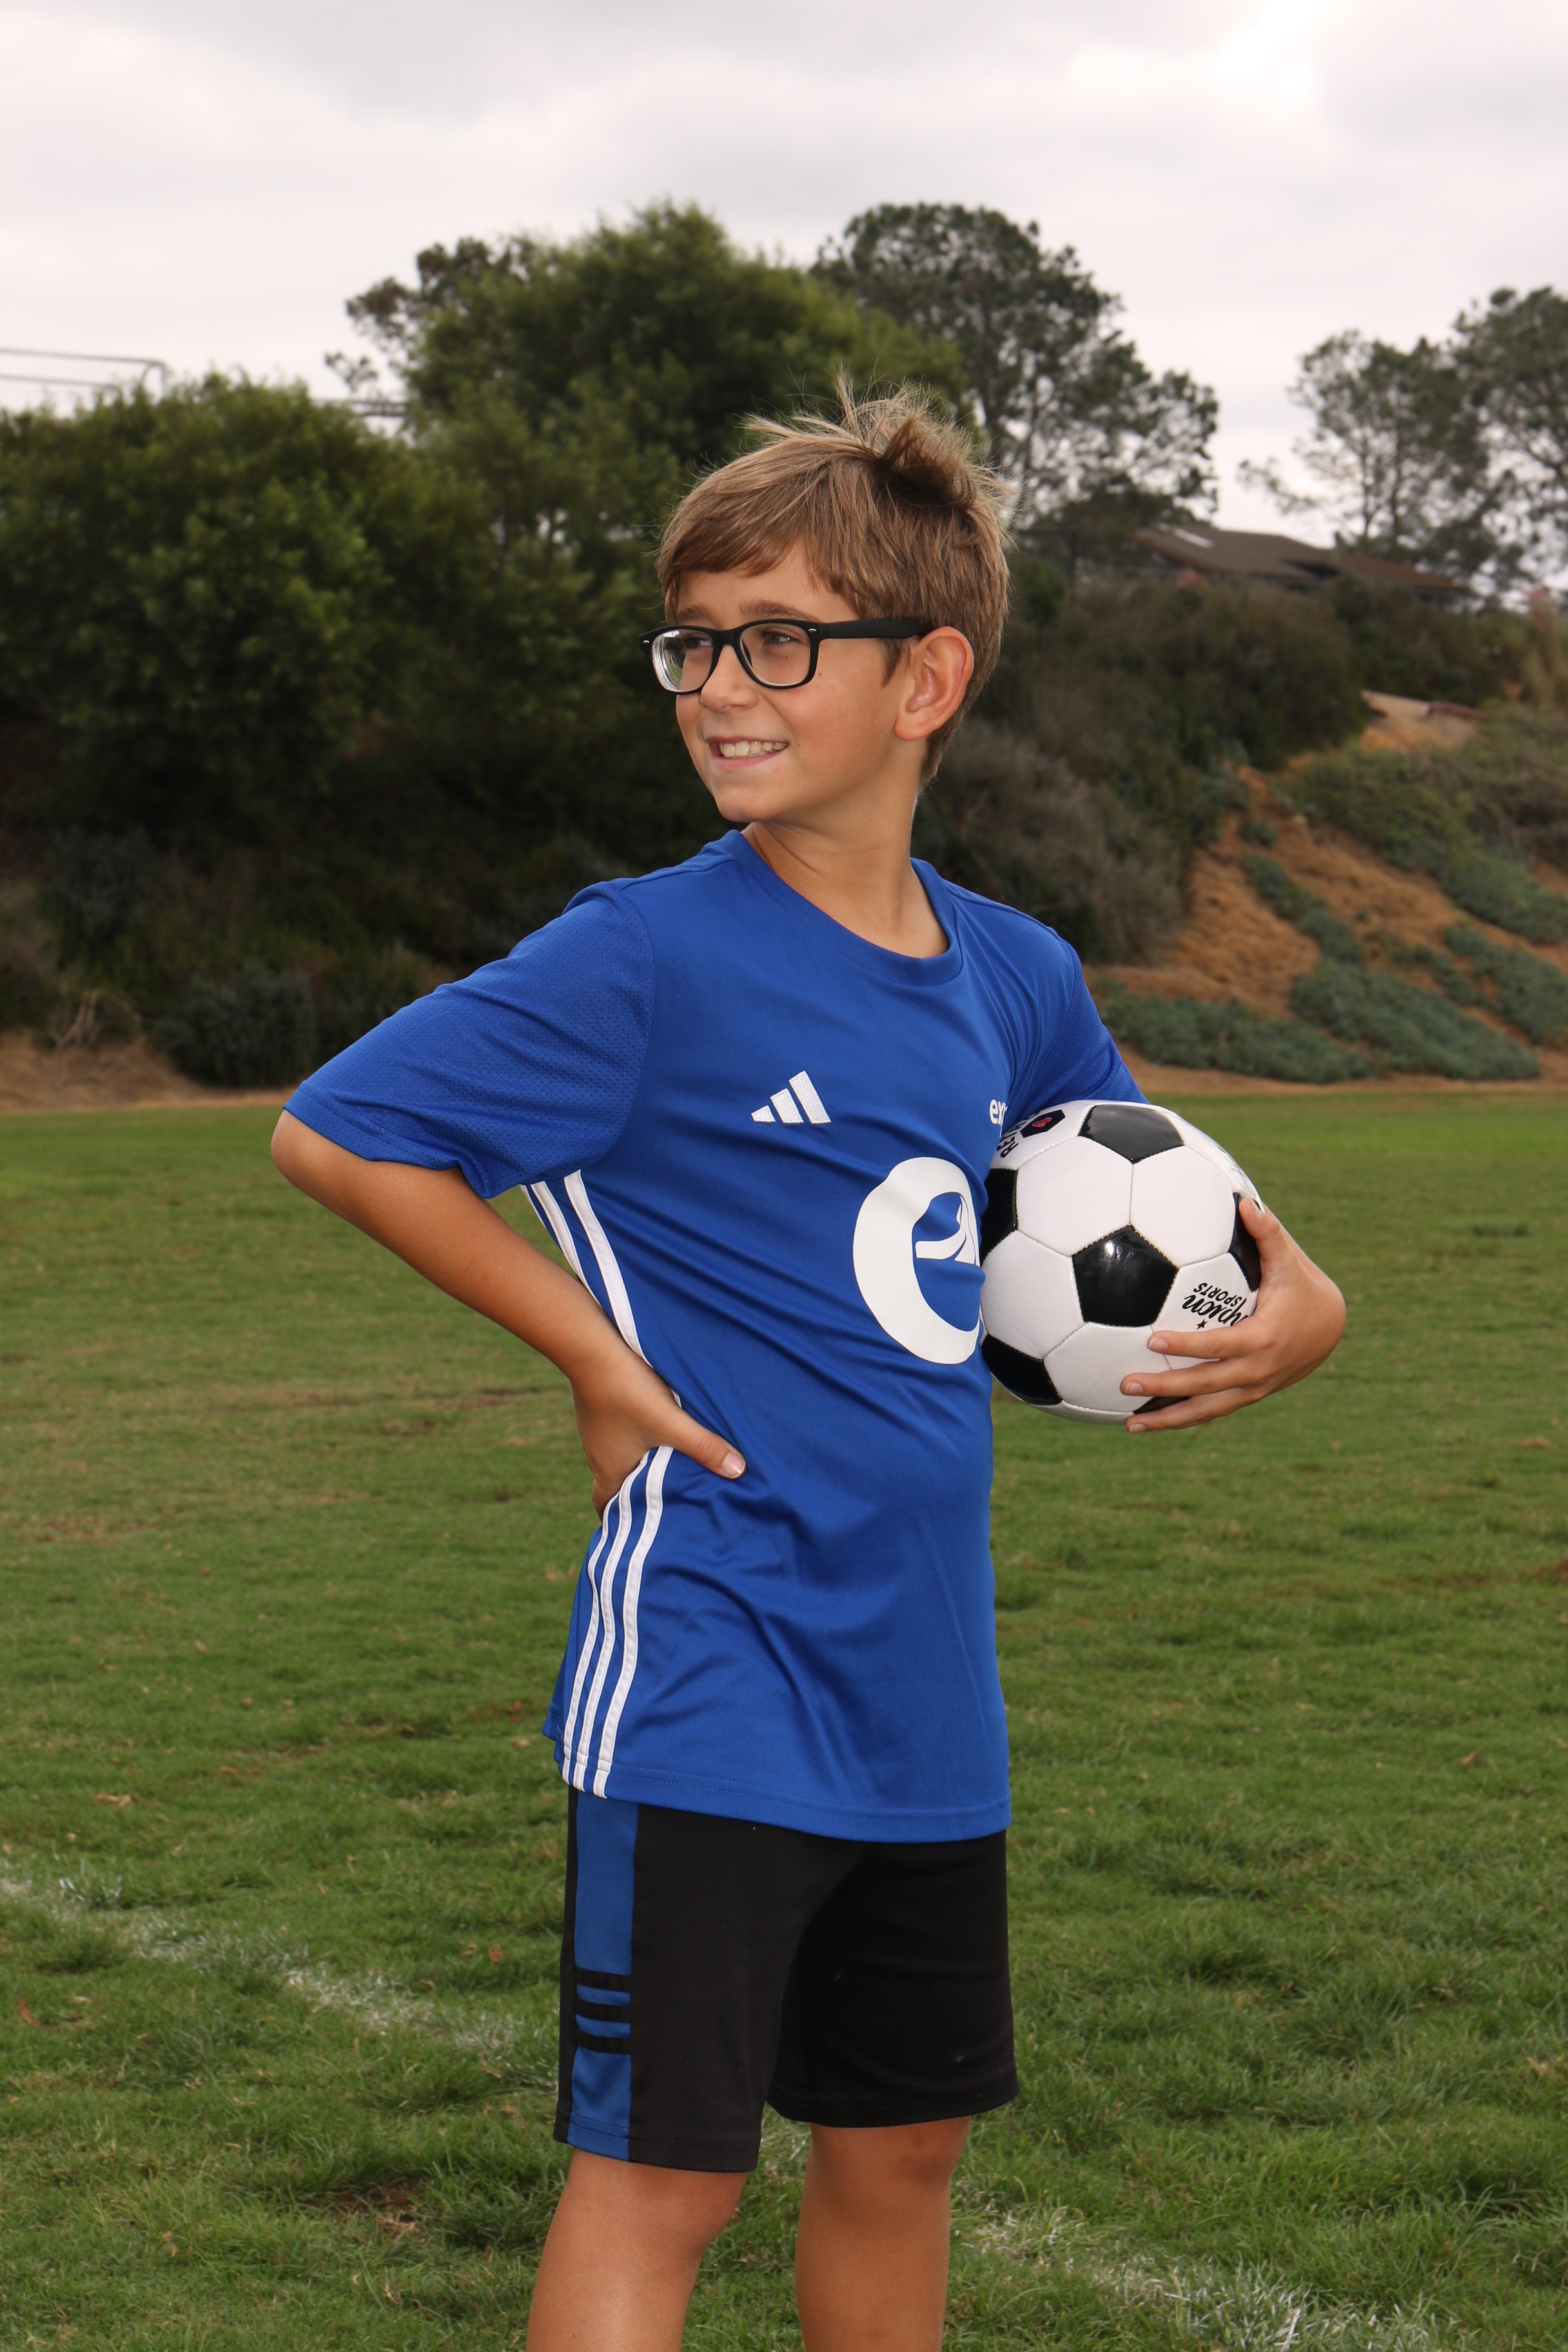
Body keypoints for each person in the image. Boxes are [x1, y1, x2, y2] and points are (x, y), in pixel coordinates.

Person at [271, 386, 1345, 2352]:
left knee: (901, 2149)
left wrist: (1314, 1305)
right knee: (667, 2178)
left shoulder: (1015, 973)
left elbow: (1177, 1204)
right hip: (714, 1667)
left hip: (928, 1685)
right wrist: (594, 1353)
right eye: (694, 644)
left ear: (926, 678)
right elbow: (342, 1133)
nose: (718, 689)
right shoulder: (644, 956)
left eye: (777, 642)